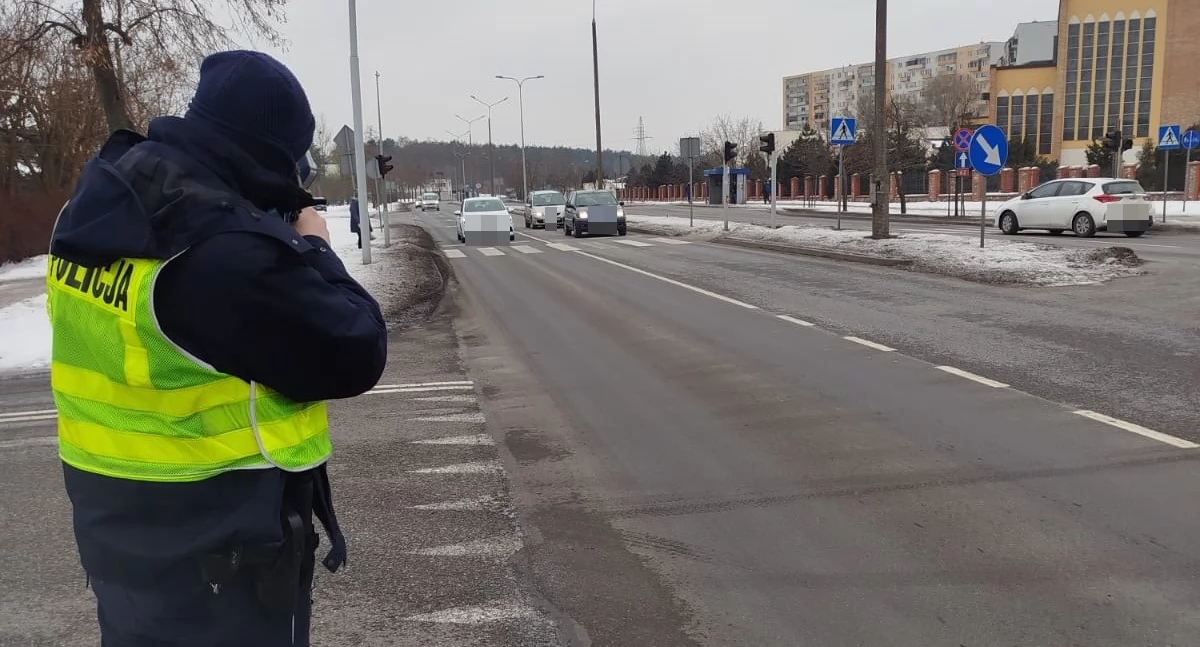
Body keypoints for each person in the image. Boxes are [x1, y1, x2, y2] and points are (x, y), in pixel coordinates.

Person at [45, 50, 388, 646]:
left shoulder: (99, 203)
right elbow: (357, 347)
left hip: (120, 537)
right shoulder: (224, 251)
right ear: (272, 154)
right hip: (224, 560)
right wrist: (314, 245)